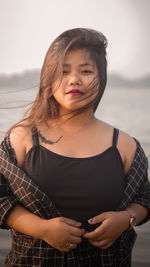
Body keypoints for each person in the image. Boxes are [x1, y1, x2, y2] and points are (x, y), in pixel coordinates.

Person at [0, 28, 150, 267]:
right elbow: (1, 198)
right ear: (49, 78)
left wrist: (126, 218)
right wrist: (41, 229)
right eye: (63, 71)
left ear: (101, 77)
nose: (74, 80)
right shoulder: (23, 137)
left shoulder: (124, 145)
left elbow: (144, 198)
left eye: (86, 71)